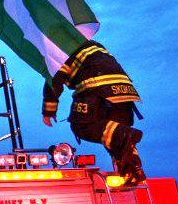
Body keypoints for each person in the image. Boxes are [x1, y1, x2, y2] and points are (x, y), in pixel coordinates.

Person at [42, 40, 145, 184]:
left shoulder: (60, 47)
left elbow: (54, 80)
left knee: (82, 125)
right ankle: (131, 170)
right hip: (124, 91)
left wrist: (49, 111)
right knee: (113, 137)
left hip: (97, 85)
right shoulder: (90, 43)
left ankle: (125, 136)